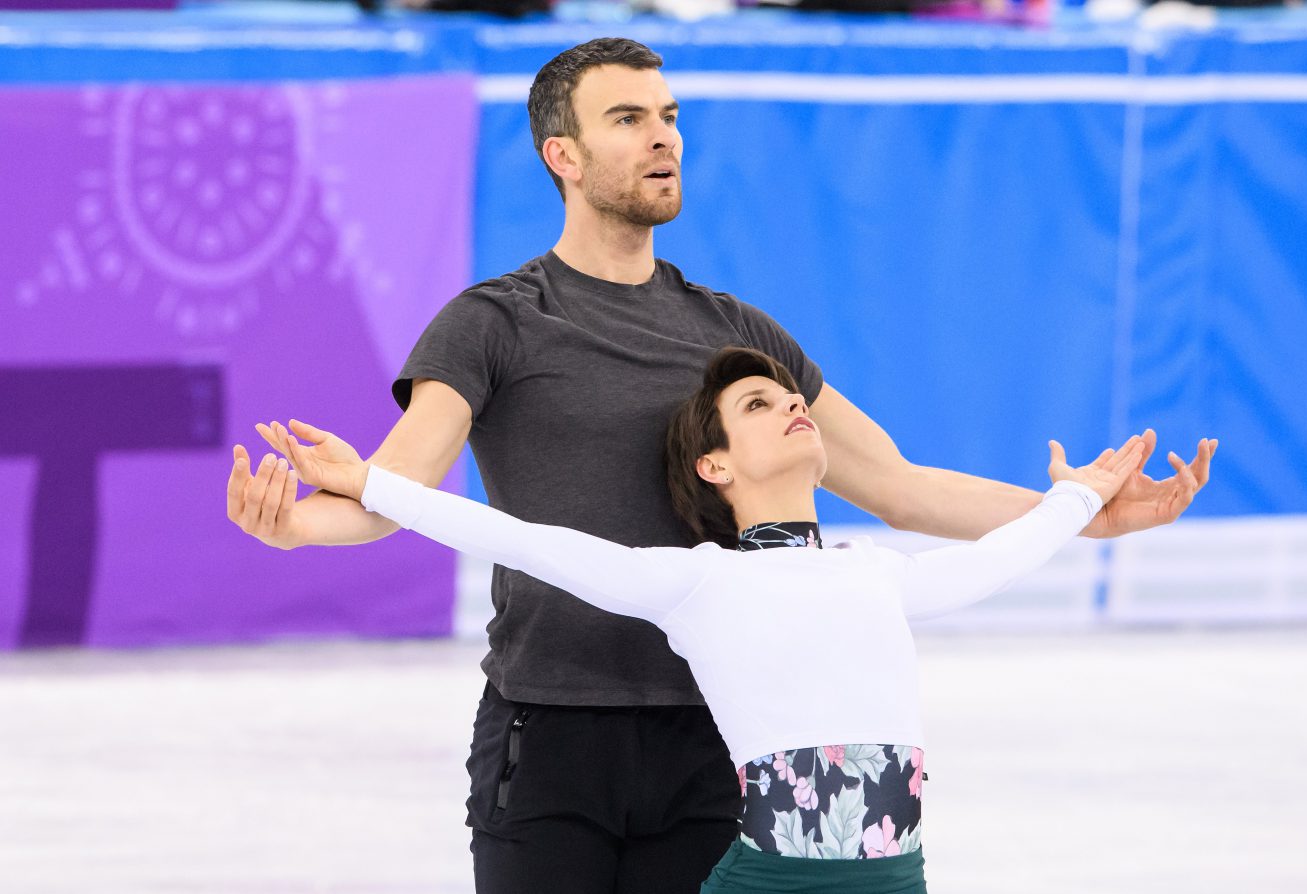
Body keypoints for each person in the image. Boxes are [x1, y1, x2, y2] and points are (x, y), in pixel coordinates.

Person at [226, 37, 1217, 894]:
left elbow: (897, 484)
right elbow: (395, 488)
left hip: (718, 744)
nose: (662, 136)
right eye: (627, 119)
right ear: (559, 155)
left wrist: (1082, 511)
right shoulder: (494, 321)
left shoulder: (736, 334)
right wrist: (300, 522)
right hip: (549, 735)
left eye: (668, 115)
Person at [255, 346, 1150, 893]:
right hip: (763, 881)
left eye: (790, 397)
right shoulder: (694, 584)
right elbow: (517, 539)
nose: (794, 404)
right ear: (716, 467)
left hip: (895, 883)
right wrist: (371, 482)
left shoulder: (879, 576)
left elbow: (1002, 556)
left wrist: (1078, 500)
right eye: (757, 405)